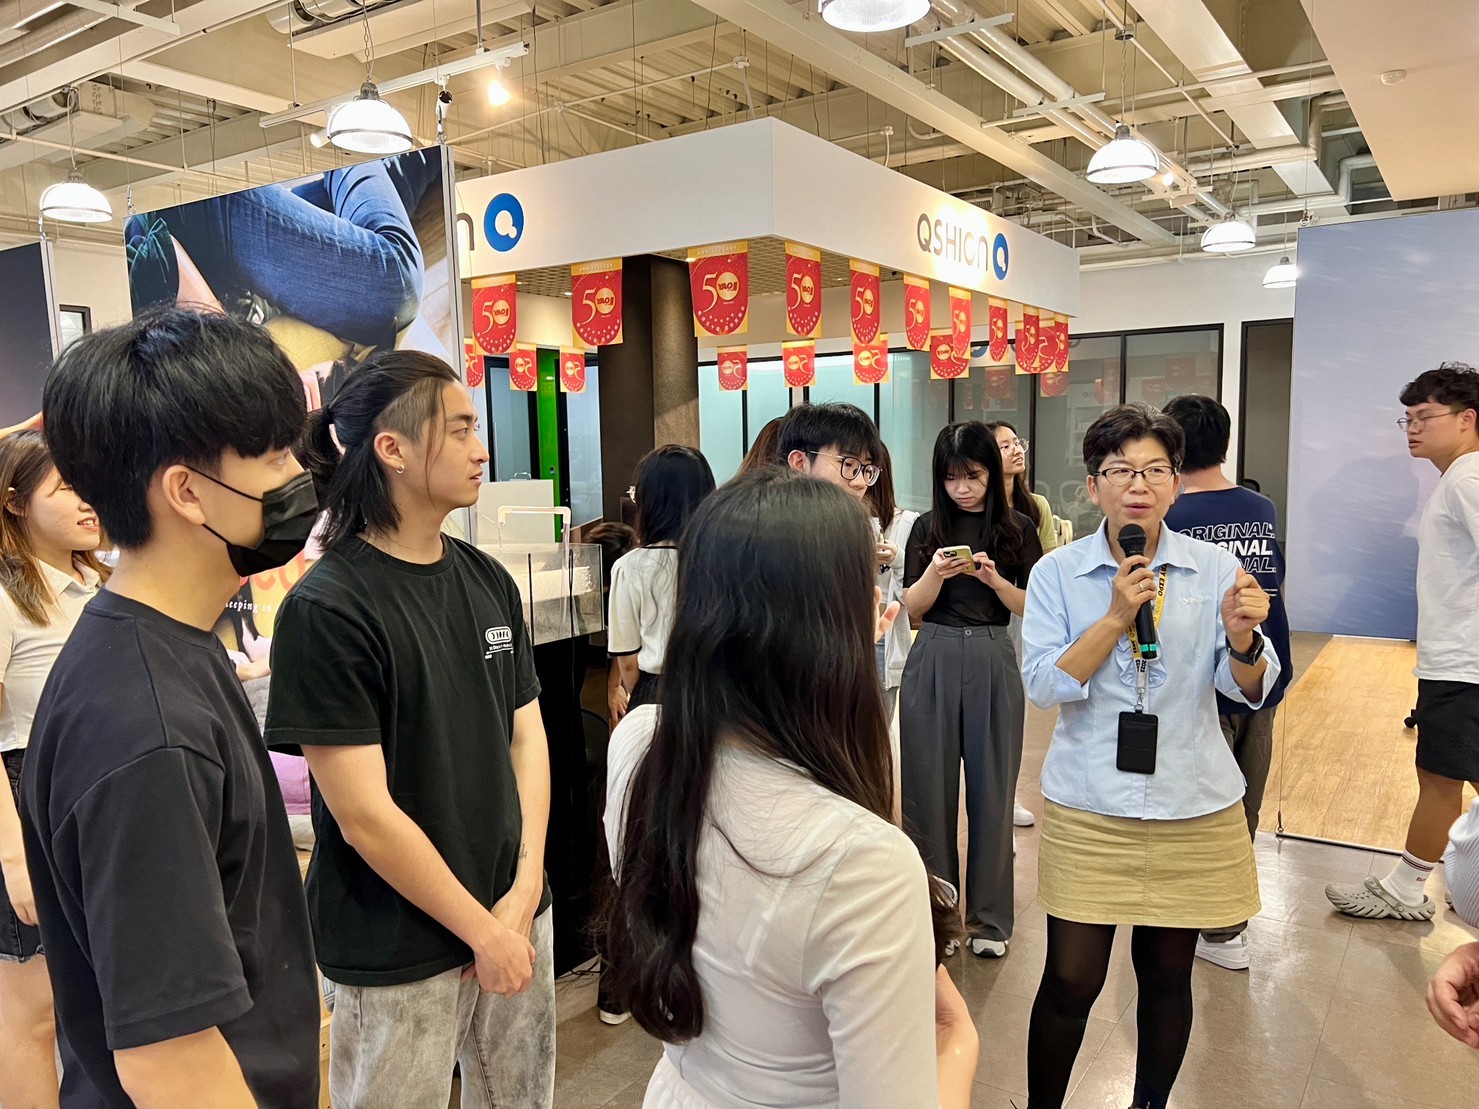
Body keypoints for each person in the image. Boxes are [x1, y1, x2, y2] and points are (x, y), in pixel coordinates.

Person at [604, 468, 979, 1108]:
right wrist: (960, 1041)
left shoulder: (641, 744)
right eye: (864, 587)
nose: (879, 601)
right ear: (829, 626)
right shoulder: (866, 864)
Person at [22, 307, 321, 1106]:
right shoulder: (144, 723)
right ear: (187, 492)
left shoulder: (168, 646)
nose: (296, 475)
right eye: (274, 455)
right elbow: (170, 1061)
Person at [265, 350, 555, 1107]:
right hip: (398, 940)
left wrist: (523, 891)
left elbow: (527, 737)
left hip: (516, 910)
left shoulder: (486, 578)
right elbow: (364, 815)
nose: (480, 449)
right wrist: (481, 931)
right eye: (459, 429)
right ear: (391, 449)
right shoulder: (328, 608)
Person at [1021, 403, 1278, 1109]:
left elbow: (1246, 688)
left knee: (1166, 977)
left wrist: (1243, 641)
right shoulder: (1057, 572)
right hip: (1090, 802)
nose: (1138, 485)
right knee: (1070, 979)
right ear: (1092, 484)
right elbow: (1043, 685)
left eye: (1155, 470)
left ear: (1175, 483)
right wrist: (1113, 617)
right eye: (1120, 470)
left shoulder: (1214, 567)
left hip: (1191, 802)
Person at [1327, 363, 1479, 922]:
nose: (1412, 428)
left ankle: (1405, 890)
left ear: (1467, 419)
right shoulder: (1459, 477)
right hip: (1458, 660)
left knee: (1439, 777)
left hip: (1465, 664)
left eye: (1425, 416)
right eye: (1407, 418)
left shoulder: (1466, 478)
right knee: (1444, 774)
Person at [901, 421, 1043, 960]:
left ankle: (989, 920)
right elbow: (912, 610)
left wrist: (994, 580)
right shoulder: (925, 528)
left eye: (974, 475)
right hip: (932, 652)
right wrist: (936, 573)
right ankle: (938, 917)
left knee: (993, 792)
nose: (962, 487)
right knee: (926, 794)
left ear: (991, 472)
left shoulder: (1018, 528)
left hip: (991, 651)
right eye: (951, 477)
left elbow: (1035, 605)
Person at [1162, 394, 1294, 971]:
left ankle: (1199, 919)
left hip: (1203, 680)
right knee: (1246, 799)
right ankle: (1228, 925)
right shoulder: (1260, 507)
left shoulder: (1170, 516)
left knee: (1201, 805)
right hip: (1261, 671)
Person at [0, 431, 107, 1108]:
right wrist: (14, 858)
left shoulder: (103, 583)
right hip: (26, 805)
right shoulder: (8, 597)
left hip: (95, 795)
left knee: (93, 1000)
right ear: (15, 502)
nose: (88, 498)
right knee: (34, 1014)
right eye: (66, 486)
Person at [607, 444, 716, 724]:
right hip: (714, 691)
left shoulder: (629, 567)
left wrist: (640, 695)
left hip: (654, 691)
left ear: (650, 501)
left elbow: (627, 660)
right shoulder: (720, 559)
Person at [987, 419, 1056, 830]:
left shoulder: (1035, 507)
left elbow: (1046, 569)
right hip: (984, 612)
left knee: (1014, 705)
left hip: (1022, 610)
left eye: (1018, 443)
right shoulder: (976, 503)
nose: (1016, 450)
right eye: (1005, 445)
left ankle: (1008, 794)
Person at [864, 441, 919, 730]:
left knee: (877, 733)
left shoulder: (906, 523)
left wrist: (898, 560)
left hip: (884, 636)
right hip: (843, 631)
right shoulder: (834, 520)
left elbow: (912, 598)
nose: (859, 479)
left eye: (867, 469)